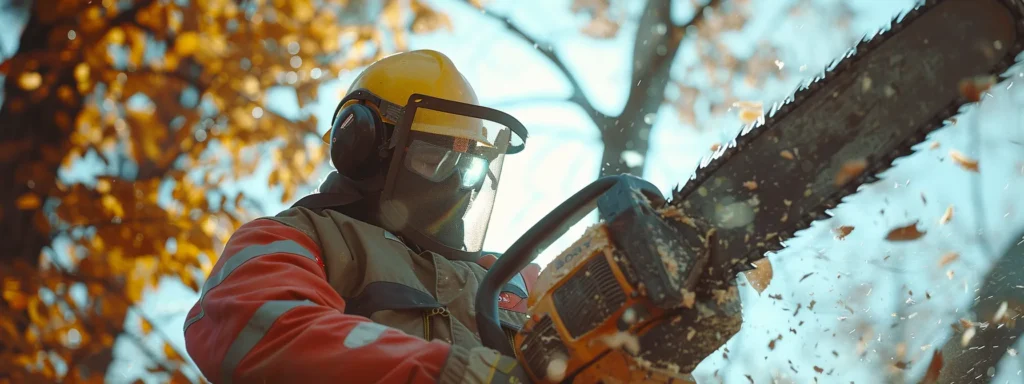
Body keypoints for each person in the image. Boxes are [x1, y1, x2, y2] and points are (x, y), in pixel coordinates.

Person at [182, 49, 541, 383]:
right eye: (434, 159)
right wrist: (450, 373)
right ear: (362, 145)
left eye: (463, 167)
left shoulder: (500, 278)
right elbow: (261, 329)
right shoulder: (297, 237)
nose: (451, 183)